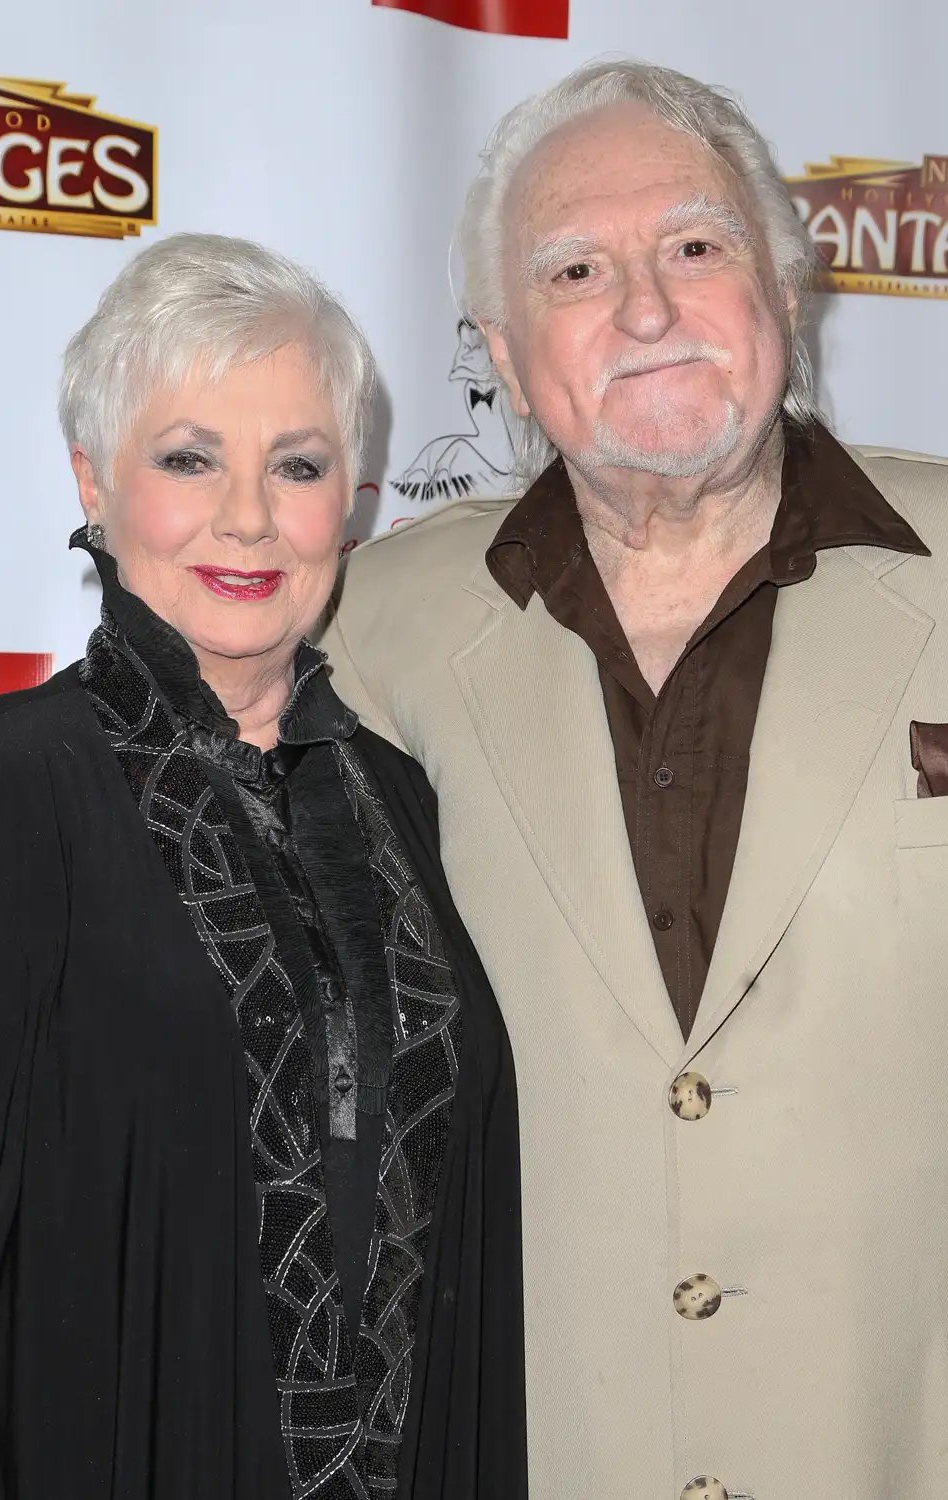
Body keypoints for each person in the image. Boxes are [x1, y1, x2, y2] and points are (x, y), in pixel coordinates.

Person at [319, 59, 948, 1500]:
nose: (647, 308)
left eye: (694, 245)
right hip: (534, 1451)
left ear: (786, 286)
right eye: (578, 267)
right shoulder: (368, 621)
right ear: (502, 343)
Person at [0, 234, 526, 1500]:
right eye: (190, 459)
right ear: (94, 480)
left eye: (298, 466)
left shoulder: (400, 798)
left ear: (356, 496)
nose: (250, 517)